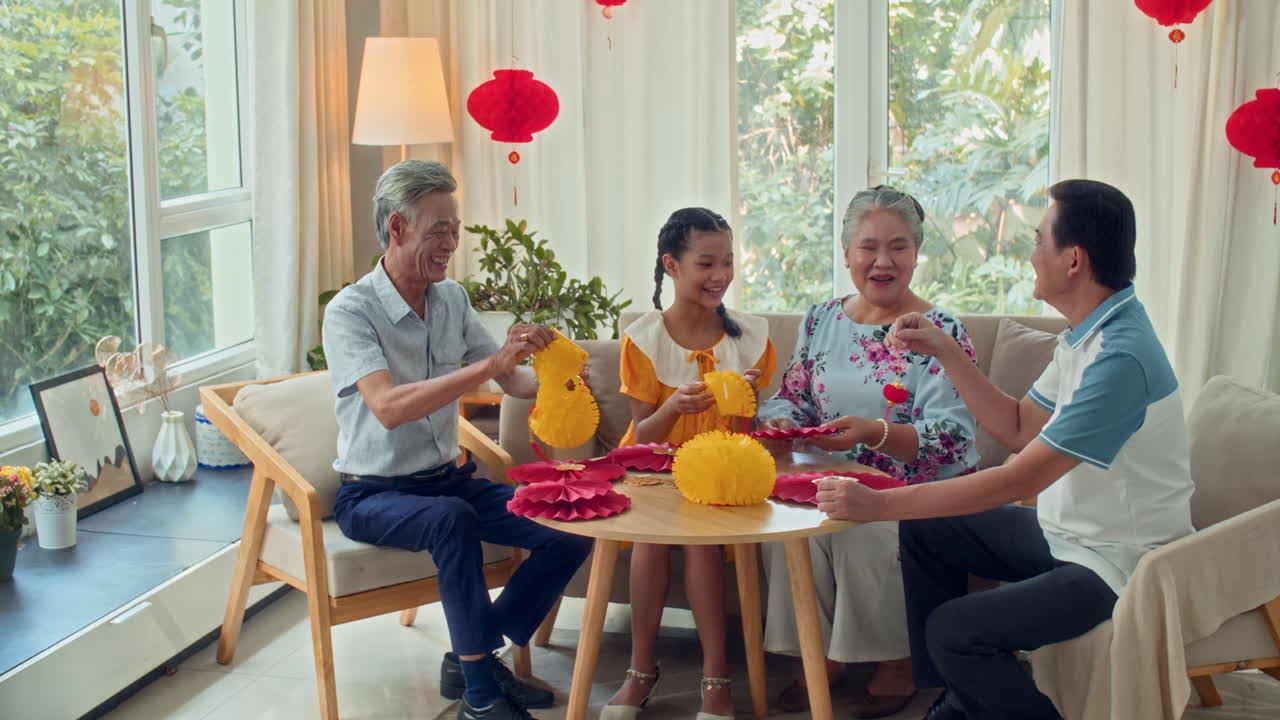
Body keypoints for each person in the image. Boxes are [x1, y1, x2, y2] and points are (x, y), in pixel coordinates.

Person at [816, 179, 1195, 720]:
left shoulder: (1120, 359)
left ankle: (975, 697)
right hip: (1070, 537)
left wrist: (877, 504)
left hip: (1119, 564)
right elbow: (1018, 426)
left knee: (955, 630)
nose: (1030, 252)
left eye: (1040, 240)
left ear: (1074, 260)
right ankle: (964, 700)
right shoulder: (1088, 333)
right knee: (927, 530)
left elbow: (1021, 480)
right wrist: (946, 351)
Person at [322, 160, 593, 720]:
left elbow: (511, 381)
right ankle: (480, 693)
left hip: (448, 481)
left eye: (455, 227)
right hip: (373, 495)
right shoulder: (350, 311)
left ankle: (474, 654)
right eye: (437, 228)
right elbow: (389, 408)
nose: (451, 242)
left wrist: (550, 374)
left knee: (569, 527)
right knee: (452, 520)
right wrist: (490, 364)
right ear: (397, 227)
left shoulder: (452, 300)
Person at [755, 186, 980, 718]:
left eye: (898, 247)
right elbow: (794, 395)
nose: (883, 261)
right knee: (789, 528)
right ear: (847, 253)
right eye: (868, 247)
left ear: (916, 253)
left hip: (911, 489)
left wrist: (870, 434)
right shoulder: (820, 320)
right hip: (827, 477)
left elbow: (953, 436)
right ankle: (820, 659)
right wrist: (782, 418)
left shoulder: (940, 331)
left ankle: (896, 663)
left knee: (866, 532)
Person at [601, 207, 778, 720]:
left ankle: (715, 680)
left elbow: (750, 429)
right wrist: (674, 406)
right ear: (672, 266)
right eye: (706, 263)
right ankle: (640, 672)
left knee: (700, 543)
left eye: (727, 262)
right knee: (650, 544)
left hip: (720, 473)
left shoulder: (750, 337)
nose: (720, 275)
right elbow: (641, 436)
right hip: (654, 469)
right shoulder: (645, 338)